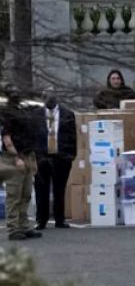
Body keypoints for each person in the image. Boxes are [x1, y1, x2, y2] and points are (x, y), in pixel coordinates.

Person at [0, 89, 42, 240]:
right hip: (14, 157)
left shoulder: (23, 111)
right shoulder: (7, 114)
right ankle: (13, 228)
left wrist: (32, 160)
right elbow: (7, 138)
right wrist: (16, 158)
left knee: (26, 194)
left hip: (28, 154)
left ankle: (24, 226)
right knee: (14, 195)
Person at [34, 87, 76, 229]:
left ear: (57, 98)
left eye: (52, 98)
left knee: (59, 189)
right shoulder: (36, 115)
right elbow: (34, 137)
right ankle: (41, 220)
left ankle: (60, 219)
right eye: (46, 98)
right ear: (42, 98)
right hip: (42, 157)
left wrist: (71, 155)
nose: (49, 101)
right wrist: (37, 156)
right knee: (41, 189)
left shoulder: (68, 114)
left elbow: (72, 137)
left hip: (61, 157)